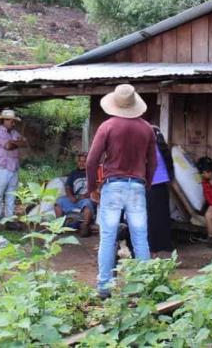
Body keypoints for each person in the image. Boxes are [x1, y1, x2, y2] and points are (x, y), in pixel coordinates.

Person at [86, 84, 156, 299]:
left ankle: (105, 286)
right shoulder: (147, 129)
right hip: (136, 185)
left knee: (108, 237)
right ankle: (143, 285)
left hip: (112, 185)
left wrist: (92, 188)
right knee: (140, 238)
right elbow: (152, 163)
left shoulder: (107, 126)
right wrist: (147, 184)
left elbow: (91, 162)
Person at [0, 109, 27, 226]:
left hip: (13, 167)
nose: (12, 123)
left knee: (11, 196)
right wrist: (17, 143)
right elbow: (8, 146)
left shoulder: (14, 133)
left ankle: (9, 221)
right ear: (4, 120)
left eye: (13, 120)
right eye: (10, 120)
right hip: (2, 167)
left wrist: (14, 142)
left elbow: (24, 143)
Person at [55, 152, 96, 237]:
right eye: (80, 161)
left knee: (87, 203)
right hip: (75, 199)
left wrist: (85, 195)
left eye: (84, 161)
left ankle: (84, 226)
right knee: (58, 202)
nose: (81, 163)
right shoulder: (73, 173)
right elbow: (68, 187)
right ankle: (57, 226)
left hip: (86, 198)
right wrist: (70, 196)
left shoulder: (93, 173)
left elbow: (96, 188)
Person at [147, 126, 173, 255]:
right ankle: (161, 246)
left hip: (151, 184)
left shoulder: (150, 147)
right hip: (161, 184)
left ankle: (153, 248)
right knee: (161, 216)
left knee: (151, 218)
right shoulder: (161, 147)